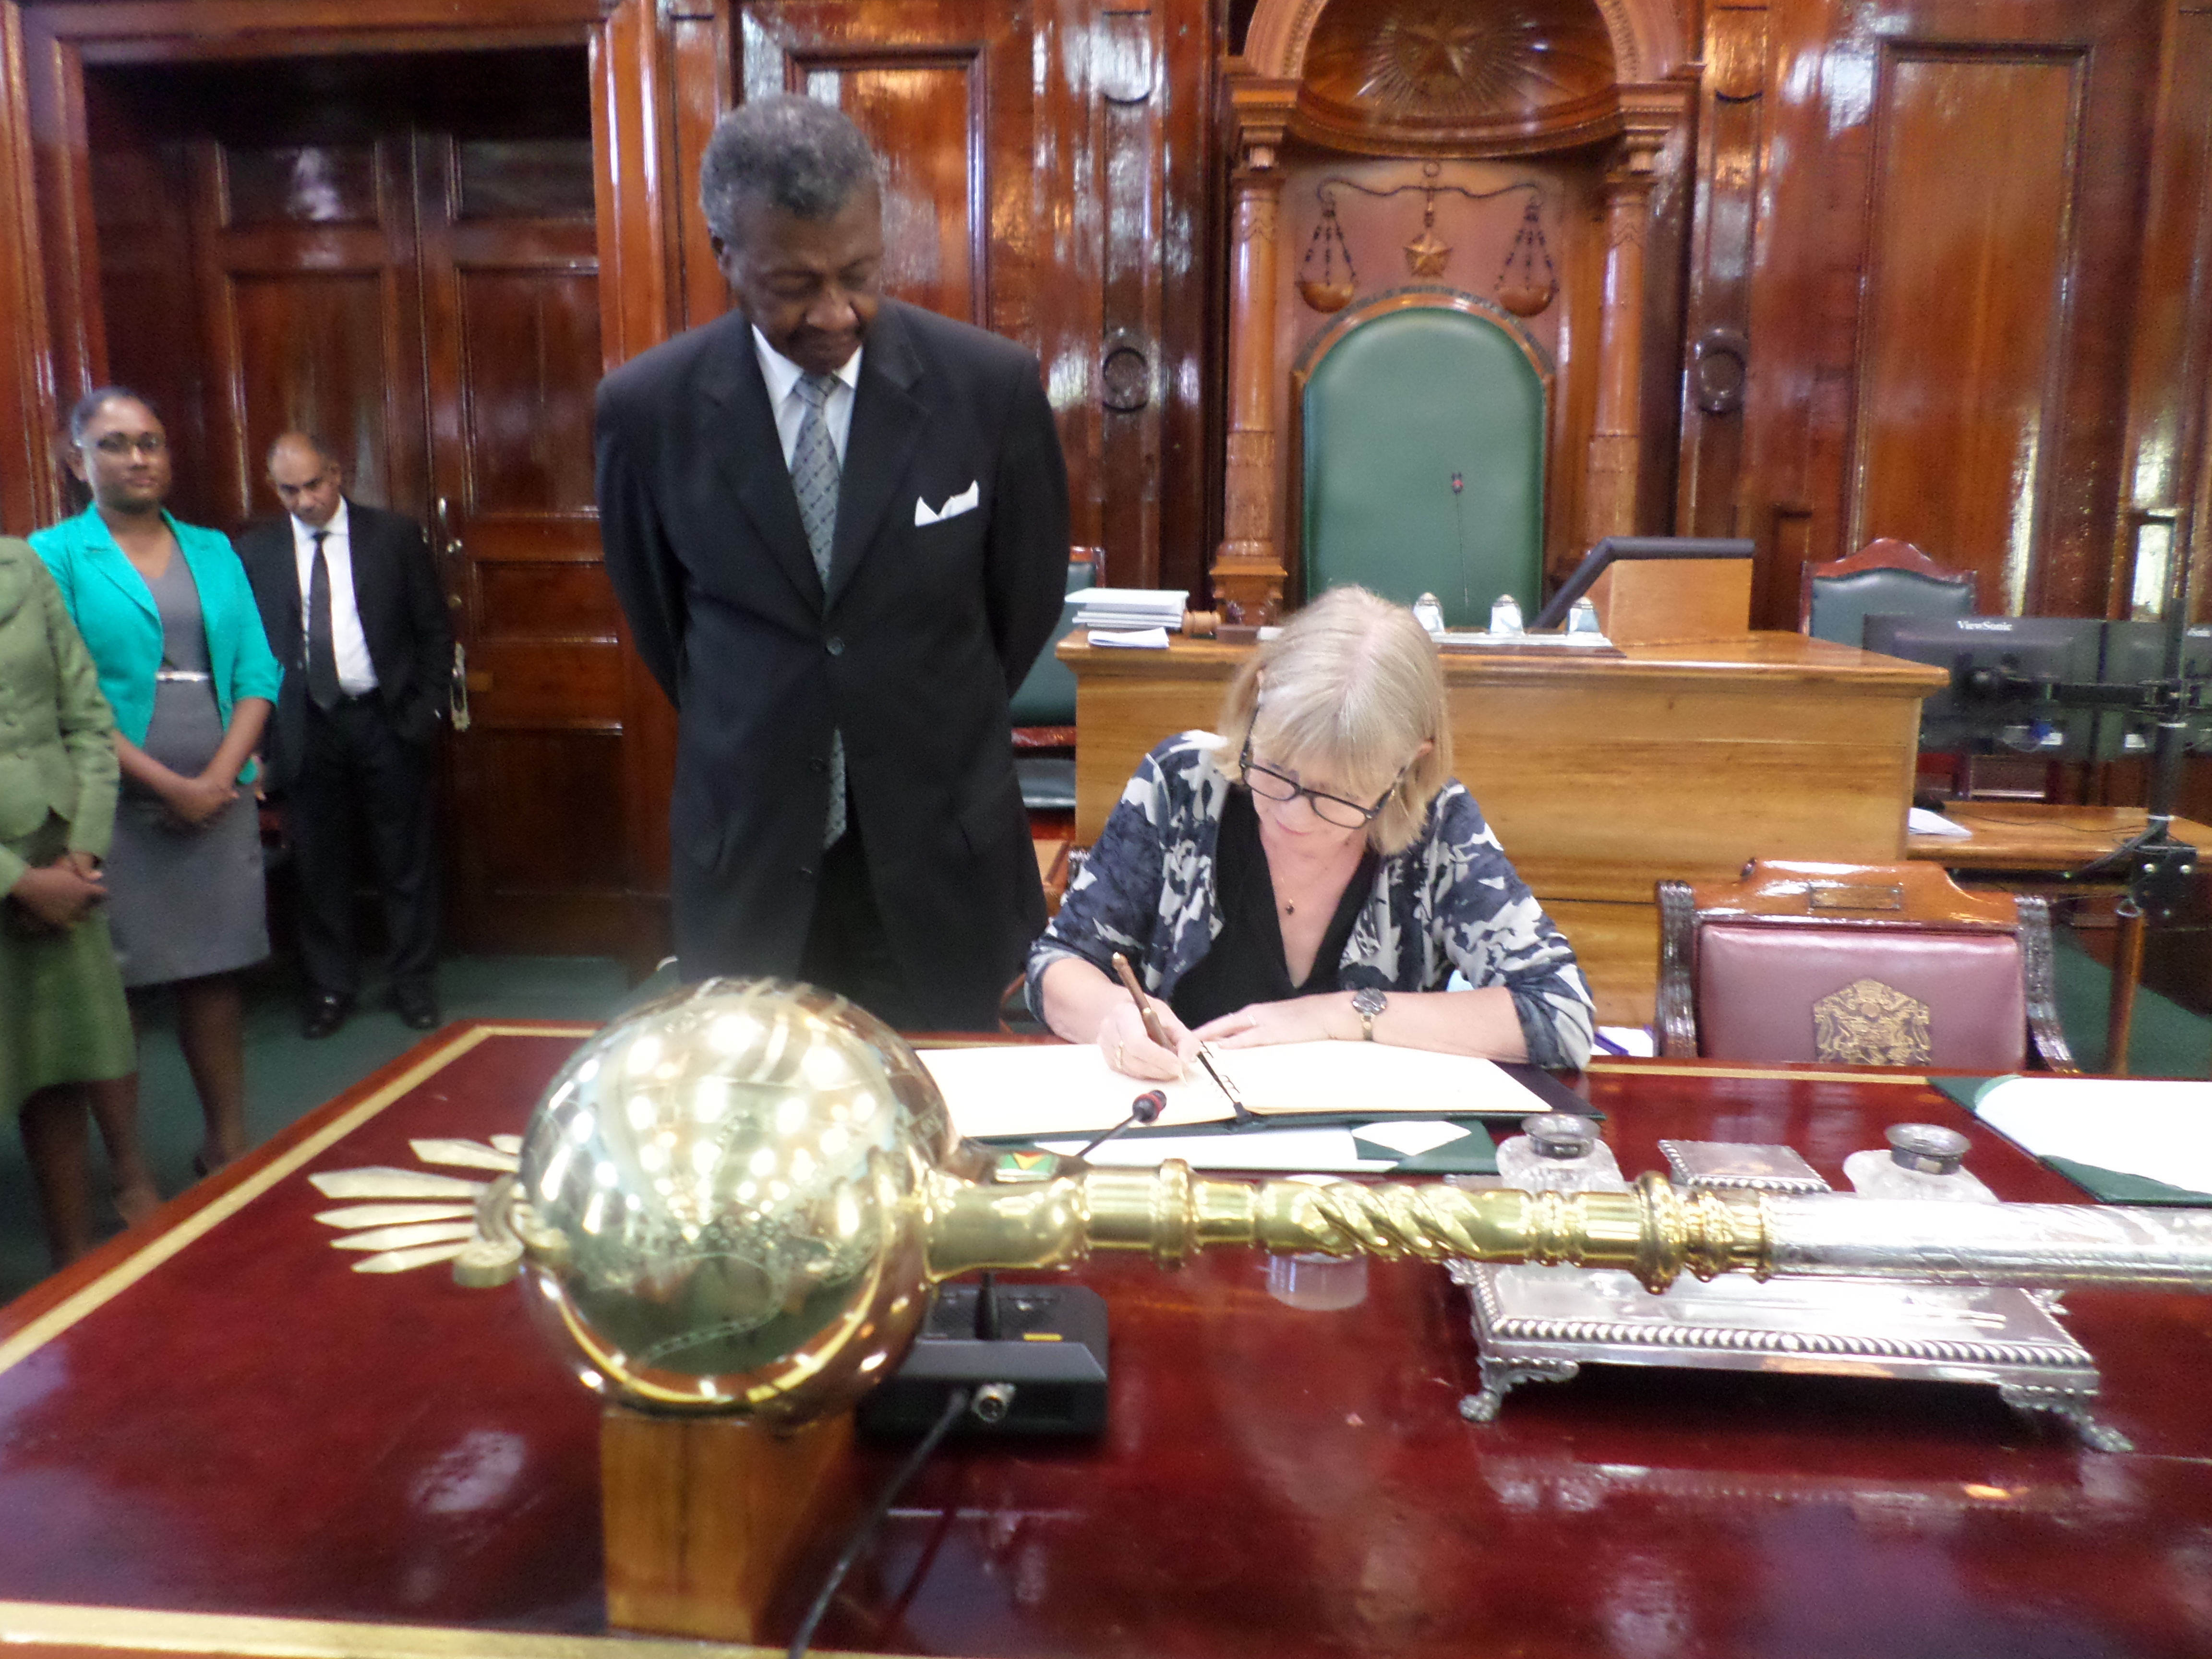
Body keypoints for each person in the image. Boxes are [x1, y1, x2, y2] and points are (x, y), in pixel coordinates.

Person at [594, 96, 1070, 1030]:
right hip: (754, 867)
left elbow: (1023, 603)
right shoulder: (647, 410)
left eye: (859, 274)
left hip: (942, 860)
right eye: (793, 284)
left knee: (955, 1106)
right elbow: (662, 624)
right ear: (726, 253)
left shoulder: (989, 389)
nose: (837, 312)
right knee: (760, 1111)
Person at [1029, 585, 1596, 1076]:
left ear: (1408, 764)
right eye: (1277, 769)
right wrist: (1113, 1017)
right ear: (1260, 696)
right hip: (1182, 1135)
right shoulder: (1182, 782)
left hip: (1368, 1157)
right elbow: (1057, 964)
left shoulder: (1439, 825)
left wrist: (1339, 1015)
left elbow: (1561, 1011)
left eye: (1340, 795)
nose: (1294, 817)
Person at [32, 388, 282, 1177]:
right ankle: (131, 1174)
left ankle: (228, 1146)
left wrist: (217, 778)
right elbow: (62, 693)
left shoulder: (213, 548)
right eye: (114, 444)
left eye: (151, 441)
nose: (138, 458)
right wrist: (167, 788)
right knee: (117, 992)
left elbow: (257, 670)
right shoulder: (53, 555)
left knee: (213, 975)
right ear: (78, 462)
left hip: (218, 789)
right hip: (109, 800)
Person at [238, 433, 452, 1037]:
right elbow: (247, 646)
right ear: (274, 487)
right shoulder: (256, 551)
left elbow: (435, 629)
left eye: (314, 484)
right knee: (318, 864)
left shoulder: (394, 537)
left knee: (405, 858)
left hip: (385, 716)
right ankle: (330, 988)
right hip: (305, 723)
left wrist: (424, 711)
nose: (305, 500)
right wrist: (259, 741)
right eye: (290, 490)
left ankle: (413, 983)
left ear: (336, 474)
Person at [1, 535, 141, 1266]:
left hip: (58, 850)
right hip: (20, 874)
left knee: (56, 1071)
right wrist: (19, 884)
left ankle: (77, 1275)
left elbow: (87, 715)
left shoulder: (20, 565)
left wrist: (81, 852)